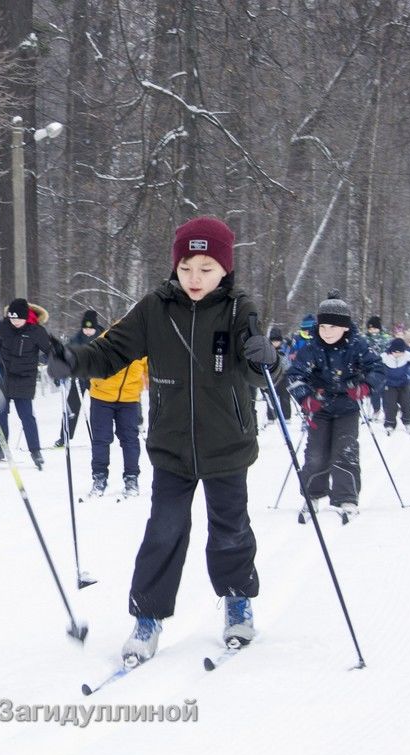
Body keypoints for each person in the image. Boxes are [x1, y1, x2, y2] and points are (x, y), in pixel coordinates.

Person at [46, 215, 280, 663]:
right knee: (164, 531)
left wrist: (267, 357)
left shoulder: (239, 308)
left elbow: (259, 371)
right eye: (187, 267)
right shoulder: (155, 307)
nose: (195, 278)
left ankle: (236, 601)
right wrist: (71, 360)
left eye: (207, 269)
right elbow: (111, 350)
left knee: (230, 529)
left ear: (225, 270)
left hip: (227, 443)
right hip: (172, 444)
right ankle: (147, 618)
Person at [286, 291, 385, 516]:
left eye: (333, 327)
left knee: (345, 450)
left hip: (347, 407)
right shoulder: (311, 348)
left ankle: (346, 497)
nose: (327, 332)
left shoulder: (357, 345)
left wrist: (365, 387)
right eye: (323, 327)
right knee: (316, 453)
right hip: (319, 407)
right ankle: (313, 494)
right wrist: (305, 398)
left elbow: (377, 369)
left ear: (345, 327)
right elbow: (294, 375)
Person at [0, 298, 53, 467]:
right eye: (12, 318)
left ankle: (35, 451)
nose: (15, 322)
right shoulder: (2, 327)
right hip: (3, 378)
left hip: (25, 379)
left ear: (26, 317)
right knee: (1, 413)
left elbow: (50, 351)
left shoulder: (36, 331)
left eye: (18, 319)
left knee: (26, 416)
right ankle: (1, 446)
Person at [85, 351, 147, 498]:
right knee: (101, 438)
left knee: (130, 439)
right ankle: (99, 477)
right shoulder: (107, 341)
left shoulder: (143, 347)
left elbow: (152, 370)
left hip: (129, 398)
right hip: (101, 396)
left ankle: (131, 478)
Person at [56, 309, 103, 447]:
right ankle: (64, 436)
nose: (87, 331)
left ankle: (99, 438)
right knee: (71, 406)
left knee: (98, 409)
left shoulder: (103, 338)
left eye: (90, 329)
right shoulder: (76, 339)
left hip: (97, 379)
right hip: (79, 378)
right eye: (85, 328)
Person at [380, 337, 410, 435]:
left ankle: (408, 421)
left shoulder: (407, 355)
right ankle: (390, 423)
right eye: (395, 352)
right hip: (389, 385)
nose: (397, 354)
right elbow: (377, 366)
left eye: (400, 352)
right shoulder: (384, 357)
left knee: (406, 403)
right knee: (390, 405)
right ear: (391, 350)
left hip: (403, 384)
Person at [365, 316, 391, 416]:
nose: (372, 331)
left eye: (375, 328)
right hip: (371, 367)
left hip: (384, 366)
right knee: (374, 390)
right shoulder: (365, 339)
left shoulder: (385, 339)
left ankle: (388, 410)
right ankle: (376, 409)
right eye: (370, 329)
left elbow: (390, 351)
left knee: (385, 391)